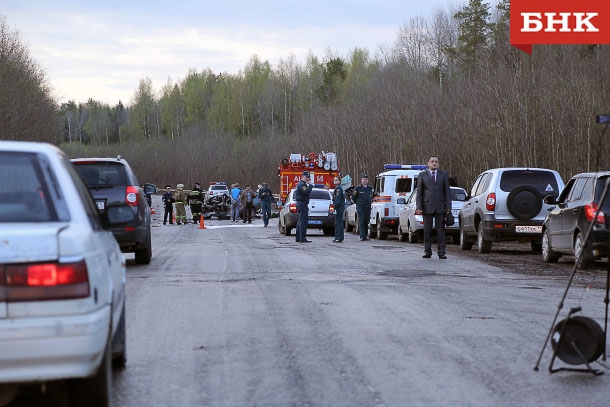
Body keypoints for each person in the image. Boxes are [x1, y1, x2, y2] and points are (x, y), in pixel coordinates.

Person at [416, 155, 451, 259]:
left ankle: (442, 252)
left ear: (438, 164)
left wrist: (448, 205)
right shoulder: (422, 175)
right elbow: (419, 192)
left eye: (436, 161)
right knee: (427, 230)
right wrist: (419, 206)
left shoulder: (443, 174)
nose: (434, 163)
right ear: (428, 163)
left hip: (440, 206)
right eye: (432, 161)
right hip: (427, 206)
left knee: (440, 230)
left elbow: (447, 192)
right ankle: (427, 251)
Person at [351, 174, 373, 241]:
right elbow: (354, 197)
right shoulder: (358, 188)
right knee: (362, 220)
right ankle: (362, 236)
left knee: (366, 221)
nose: (365, 181)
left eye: (366, 179)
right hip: (361, 206)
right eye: (364, 179)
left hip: (368, 206)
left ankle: (365, 235)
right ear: (361, 180)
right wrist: (358, 203)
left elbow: (372, 196)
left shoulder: (370, 188)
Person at [294, 171, 313, 243]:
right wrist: (310, 185)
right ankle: (302, 237)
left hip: (302, 203)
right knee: (303, 221)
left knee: (300, 221)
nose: (307, 178)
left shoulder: (303, 184)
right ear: (302, 177)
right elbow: (306, 192)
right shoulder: (301, 184)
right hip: (302, 204)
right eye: (306, 177)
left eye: (308, 177)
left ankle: (299, 238)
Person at [332, 176, 345, 243]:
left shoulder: (339, 189)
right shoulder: (337, 188)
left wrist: (335, 206)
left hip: (339, 207)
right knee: (337, 222)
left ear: (340, 181)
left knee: (339, 223)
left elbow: (338, 199)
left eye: (337, 180)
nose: (335, 181)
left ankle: (339, 237)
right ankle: (337, 236)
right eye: (334, 180)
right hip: (339, 207)